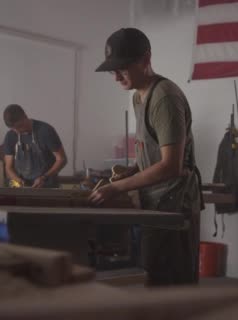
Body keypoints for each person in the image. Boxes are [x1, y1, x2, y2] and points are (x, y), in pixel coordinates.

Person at [90, 28, 203, 286]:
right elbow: (152, 156)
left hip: (174, 207)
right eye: (112, 70)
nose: (116, 76)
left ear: (145, 60)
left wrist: (115, 188)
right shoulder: (139, 97)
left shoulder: (164, 97)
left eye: (122, 68)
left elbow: (170, 166)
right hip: (155, 203)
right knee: (154, 281)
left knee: (172, 290)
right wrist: (130, 170)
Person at [2, 104, 67, 188]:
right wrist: (17, 180)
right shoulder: (10, 136)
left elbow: (62, 159)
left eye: (19, 126)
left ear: (25, 117)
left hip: (47, 186)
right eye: (13, 128)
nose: (17, 131)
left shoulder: (45, 131)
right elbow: (8, 167)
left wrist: (44, 177)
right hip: (23, 188)